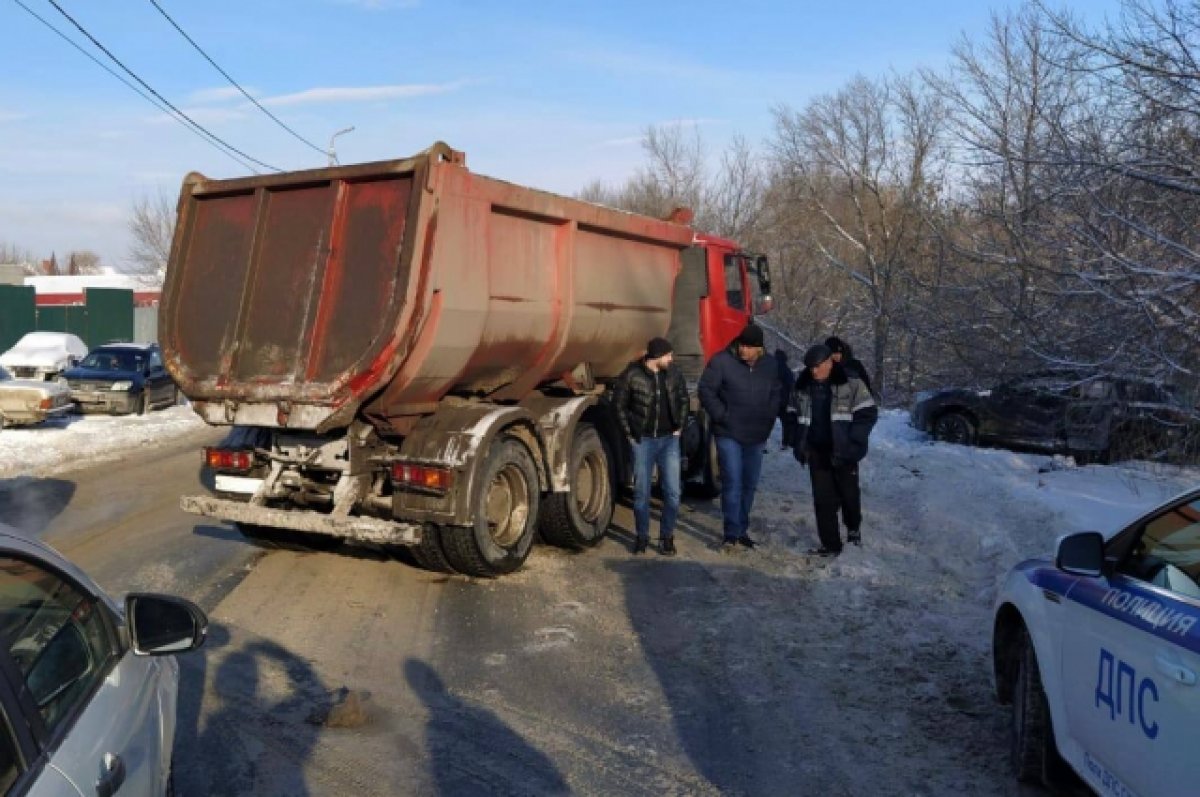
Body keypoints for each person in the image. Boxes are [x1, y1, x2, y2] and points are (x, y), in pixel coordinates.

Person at [698, 323, 786, 551]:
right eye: (742, 345)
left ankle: (741, 528)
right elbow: (706, 390)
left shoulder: (770, 365)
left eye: (749, 347)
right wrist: (721, 414)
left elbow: (777, 392)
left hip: (757, 434)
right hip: (729, 433)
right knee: (733, 482)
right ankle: (731, 532)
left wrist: (770, 416)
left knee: (749, 484)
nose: (743, 350)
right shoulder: (722, 362)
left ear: (759, 348)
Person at [791, 343, 878, 556]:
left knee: (849, 495)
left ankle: (853, 528)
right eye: (810, 367)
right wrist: (796, 440)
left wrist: (853, 441)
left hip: (844, 451)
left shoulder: (851, 383)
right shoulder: (802, 387)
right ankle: (830, 544)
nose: (814, 371)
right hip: (816, 452)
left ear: (830, 362)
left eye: (818, 366)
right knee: (823, 501)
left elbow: (867, 413)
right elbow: (791, 413)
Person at [613, 336, 690, 555]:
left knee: (673, 493)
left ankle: (666, 537)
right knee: (641, 493)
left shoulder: (674, 374)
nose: (671, 359)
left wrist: (680, 427)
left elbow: (684, 399)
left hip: (669, 441)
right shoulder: (632, 375)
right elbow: (618, 406)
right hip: (643, 441)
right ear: (656, 357)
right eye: (668, 355)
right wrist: (630, 435)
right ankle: (642, 536)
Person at [774, 348, 799, 450]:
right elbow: (792, 385)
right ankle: (785, 443)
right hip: (783, 401)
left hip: (771, 400)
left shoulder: (770, 368)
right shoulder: (786, 369)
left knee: (766, 423)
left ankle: (761, 444)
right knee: (786, 424)